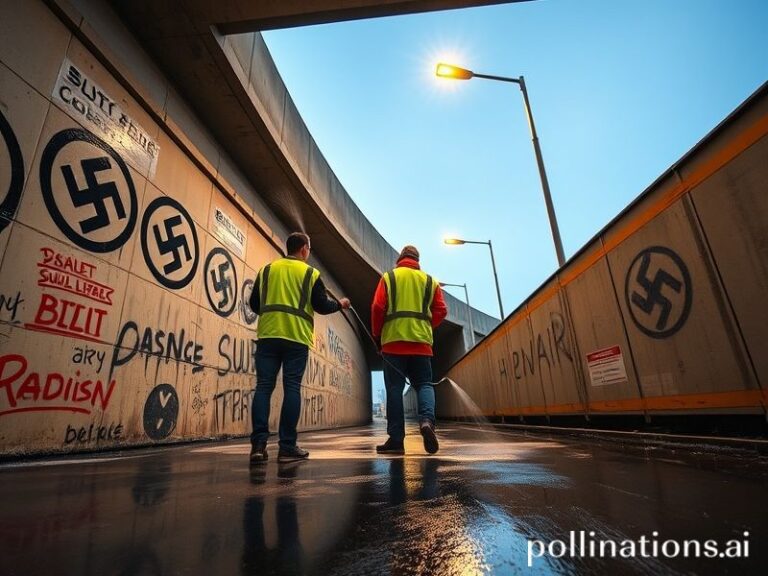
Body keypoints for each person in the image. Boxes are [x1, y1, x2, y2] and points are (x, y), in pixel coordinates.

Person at [248, 232, 350, 464]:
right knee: (292, 388)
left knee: (263, 387)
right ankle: (286, 447)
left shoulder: (267, 270)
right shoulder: (310, 273)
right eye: (309, 249)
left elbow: (254, 304)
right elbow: (322, 306)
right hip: (295, 338)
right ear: (304, 249)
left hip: (268, 335)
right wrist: (341, 305)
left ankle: (258, 446)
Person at [371, 245, 447, 455]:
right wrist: (425, 326)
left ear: (400, 259)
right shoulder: (430, 281)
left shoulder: (389, 278)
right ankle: (426, 422)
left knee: (394, 389)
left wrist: (378, 336)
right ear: (417, 260)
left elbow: (377, 307)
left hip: (393, 343)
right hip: (421, 344)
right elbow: (442, 310)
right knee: (424, 384)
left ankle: (396, 441)